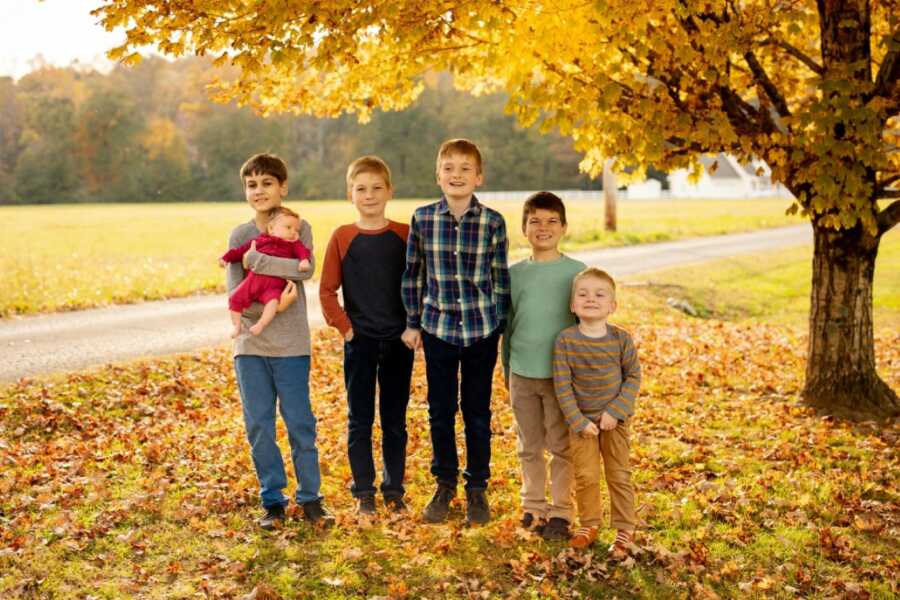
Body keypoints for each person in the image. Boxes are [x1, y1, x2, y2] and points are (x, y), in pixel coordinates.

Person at [401, 138, 510, 525]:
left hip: (481, 330)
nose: (457, 175)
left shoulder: (492, 221)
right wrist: (413, 323)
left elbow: (499, 278)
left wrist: (498, 323)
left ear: (478, 176)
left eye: (466, 168)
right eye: (449, 168)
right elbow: (413, 276)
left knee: (478, 412)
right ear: (438, 175)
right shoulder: (424, 218)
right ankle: (444, 483)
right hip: (439, 328)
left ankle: (477, 487)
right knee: (441, 411)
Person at [225, 152, 333, 530]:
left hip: (291, 346)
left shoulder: (296, 226)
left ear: (282, 187)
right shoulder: (240, 236)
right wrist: (270, 300)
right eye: (251, 184)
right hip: (250, 347)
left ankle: (311, 498)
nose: (259, 190)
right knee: (259, 425)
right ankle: (272, 499)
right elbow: (236, 294)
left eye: (267, 183)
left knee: (300, 422)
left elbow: (305, 271)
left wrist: (258, 264)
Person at [319, 156, 414, 516]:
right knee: (359, 419)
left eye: (377, 188)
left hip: (398, 341)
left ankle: (393, 490)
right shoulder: (343, 237)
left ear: (390, 191)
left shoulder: (405, 234)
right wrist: (345, 328)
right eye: (361, 189)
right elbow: (328, 290)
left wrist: (412, 326)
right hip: (359, 342)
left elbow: (418, 284)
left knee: (394, 420)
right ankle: (364, 491)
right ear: (350, 194)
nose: (369, 195)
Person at [501, 192, 585, 540]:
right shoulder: (514, 274)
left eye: (552, 221)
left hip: (560, 379)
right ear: (524, 229)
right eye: (535, 221)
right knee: (529, 445)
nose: (543, 227)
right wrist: (507, 372)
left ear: (564, 227)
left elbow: (587, 328)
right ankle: (533, 506)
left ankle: (561, 512)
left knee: (561, 446)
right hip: (522, 373)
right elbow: (508, 326)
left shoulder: (577, 273)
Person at [553, 267, 641, 555]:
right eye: (583, 294)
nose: (591, 299)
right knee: (586, 475)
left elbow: (633, 377)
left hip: (615, 422)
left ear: (612, 305)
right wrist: (577, 421)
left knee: (618, 474)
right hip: (582, 424)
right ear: (572, 305)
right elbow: (562, 385)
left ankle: (625, 528)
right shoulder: (566, 340)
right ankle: (589, 523)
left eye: (600, 294)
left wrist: (616, 411)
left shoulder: (620, 339)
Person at [221, 206, 311, 338]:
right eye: (288, 227)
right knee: (235, 298)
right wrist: (226, 258)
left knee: (272, 303)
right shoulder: (260, 241)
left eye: (296, 230)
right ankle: (237, 326)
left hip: (274, 286)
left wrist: (304, 261)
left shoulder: (293, 244)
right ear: (271, 229)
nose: (293, 232)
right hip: (253, 281)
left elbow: (303, 252)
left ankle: (261, 324)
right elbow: (240, 251)